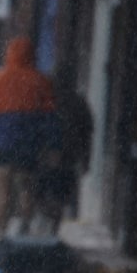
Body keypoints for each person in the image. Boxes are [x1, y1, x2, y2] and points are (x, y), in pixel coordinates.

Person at [0, 36, 55, 240]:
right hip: (30, 142)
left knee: (2, 186)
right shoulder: (41, 81)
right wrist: (50, 143)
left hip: (1, 142)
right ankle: (25, 226)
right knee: (27, 186)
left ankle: (1, 230)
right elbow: (49, 116)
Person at [36, 66, 94, 234]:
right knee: (59, 193)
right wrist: (85, 159)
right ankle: (53, 225)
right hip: (68, 156)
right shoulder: (79, 103)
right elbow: (87, 134)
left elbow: (37, 127)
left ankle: (49, 221)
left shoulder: (46, 101)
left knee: (44, 191)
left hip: (48, 155)